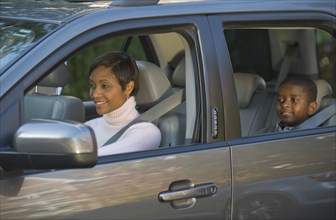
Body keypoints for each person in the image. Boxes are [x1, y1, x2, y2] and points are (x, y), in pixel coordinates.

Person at [85, 51, 161, 156]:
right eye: (93, 85)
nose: (95, 94)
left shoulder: (147, 133)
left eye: (105, 86)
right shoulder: (89, 127)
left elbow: (96, 159)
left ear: (128, 87)